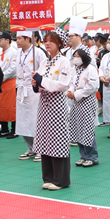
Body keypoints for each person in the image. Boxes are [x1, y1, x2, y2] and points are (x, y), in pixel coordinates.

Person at [32, 30, 72, 190]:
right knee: (45, 138)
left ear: (60, 43)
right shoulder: (44, 62)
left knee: (58, 139)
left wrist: (41, 80)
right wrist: (36, 85)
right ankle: (48, 177)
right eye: (45, 40)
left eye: (51, 41)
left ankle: (60, 180)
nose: (47, 43)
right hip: (44, 104)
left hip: (57, 104)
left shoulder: (64, 61)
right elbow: (41, 83)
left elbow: (63, 84)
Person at [16, 31, 46, 162]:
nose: (17, 41)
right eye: (16, 38)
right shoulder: (18, 52)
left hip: (33, 89)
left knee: (35, 120)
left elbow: (44, 70)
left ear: (28, 38)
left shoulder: (38, 52)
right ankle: (31, 148)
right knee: (23, 120)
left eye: (19, 38)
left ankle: (41, 149)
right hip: (21, 89)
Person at [68, 46, 100, 167]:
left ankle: (92, 157)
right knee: (78, 128)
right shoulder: (75, 69)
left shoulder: (91, 69)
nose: (76, 58)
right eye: (74, 56)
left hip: (87, 101)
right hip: (76, 102)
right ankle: (83, 156)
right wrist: (71, 92)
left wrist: (76, 94)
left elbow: (91, 86)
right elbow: (72, 83)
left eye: (78, 56)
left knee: (87, 129)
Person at [0, 32, 18, 138]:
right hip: (1, 83)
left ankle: (15, 129)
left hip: (10, 82)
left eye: (1, 39)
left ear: (7, 40)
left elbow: (13, 69)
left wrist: (1, 77)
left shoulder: (14, 52)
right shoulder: (0, 53)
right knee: (1, 106)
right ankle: (4, 129)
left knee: (12, 107)